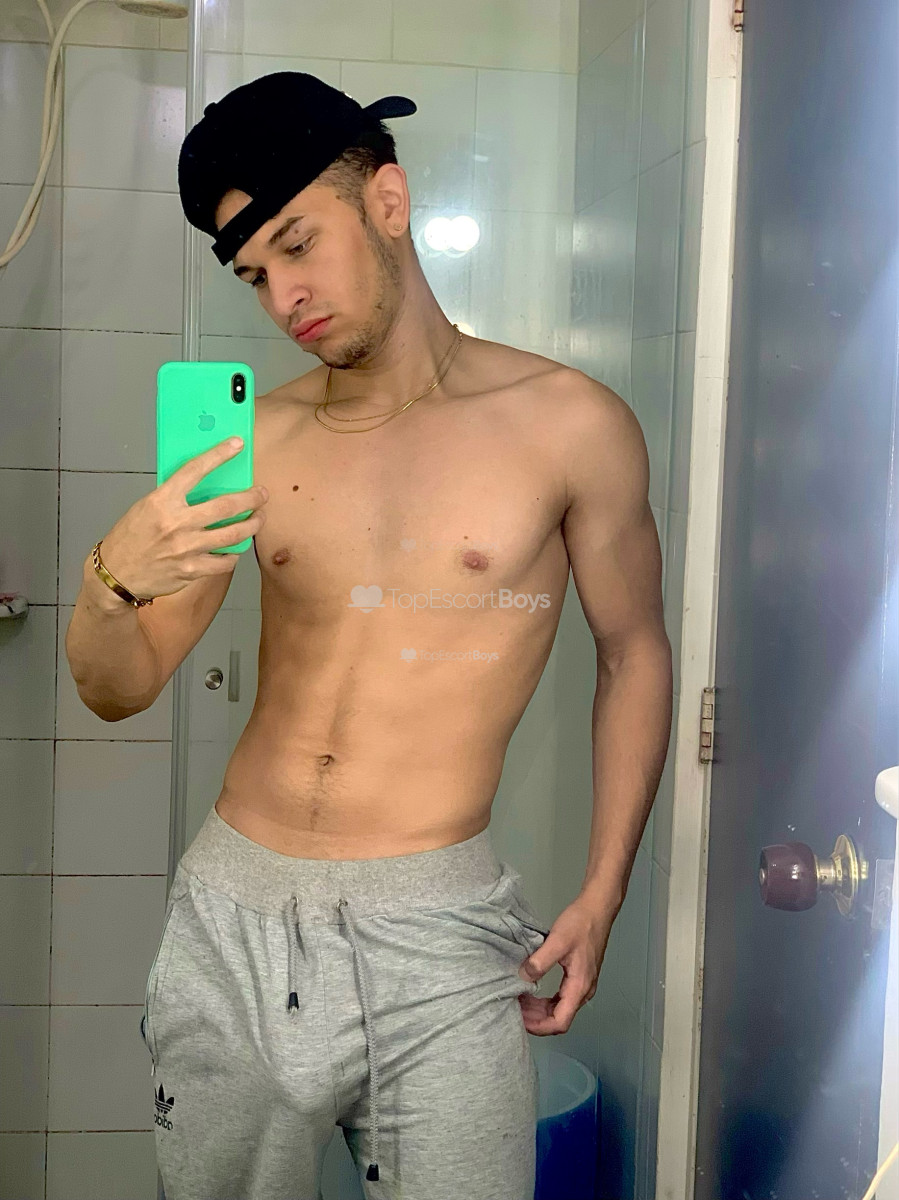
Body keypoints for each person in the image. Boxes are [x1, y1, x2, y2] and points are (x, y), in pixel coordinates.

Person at [66, 72, 673, 1200]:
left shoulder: (572, 427)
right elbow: (118, 687)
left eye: (297, 245)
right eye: (255, 275)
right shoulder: (254, 438)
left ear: (386, 201)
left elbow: (633, 652)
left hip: (438, 928)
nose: (283, 297)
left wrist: (603, 892)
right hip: (233, 911)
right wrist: (111, 582)